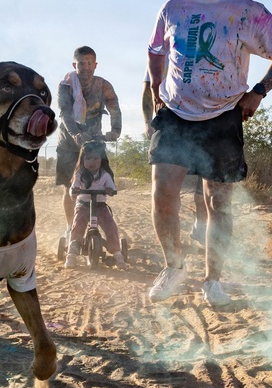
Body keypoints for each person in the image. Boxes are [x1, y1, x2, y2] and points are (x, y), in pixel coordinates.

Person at [146, 0, 272, 305]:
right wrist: (154, 85)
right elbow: (155, 49)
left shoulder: (248, 11)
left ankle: (214, 280)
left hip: (222, 116)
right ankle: (173, 266)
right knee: (163, 195)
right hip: (176, 114)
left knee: (218, 204)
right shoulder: (172, 8)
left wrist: (258, 92)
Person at [55, 46, 122, 235]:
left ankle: (95, 226)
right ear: (74, 65)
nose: (86, 68)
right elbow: (65, 112)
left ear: (96, 65)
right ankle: (71, 228)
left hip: (93, 143)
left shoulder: (103, 85)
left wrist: (115, 131)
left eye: (90, 63)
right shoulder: (66, 85)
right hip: (69, 143)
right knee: (71, 187)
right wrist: (76, 134)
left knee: (99, 185)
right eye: (81, 64)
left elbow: (115, 108)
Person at [142, 68, 206, 243]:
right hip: (171, 121)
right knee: (165, 192)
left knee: (207, 187)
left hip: (208, 119)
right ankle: (173, 259)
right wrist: (148, 121)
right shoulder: (159, 54)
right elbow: (148, 89)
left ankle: (201, 225)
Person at [65, 140, 127, 269]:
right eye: (88, 158)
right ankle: (72, 253)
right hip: (83, 205)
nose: (92, 162)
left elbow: (111, 186)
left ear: (101, 159)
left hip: (100, 206)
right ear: (82, 160)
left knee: (110, 226)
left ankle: (117, 253)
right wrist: (75, 191)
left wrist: (110, 190)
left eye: (95, 158)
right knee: (78, 226)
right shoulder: (80, 174)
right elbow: (74, 186)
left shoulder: (105, 175)